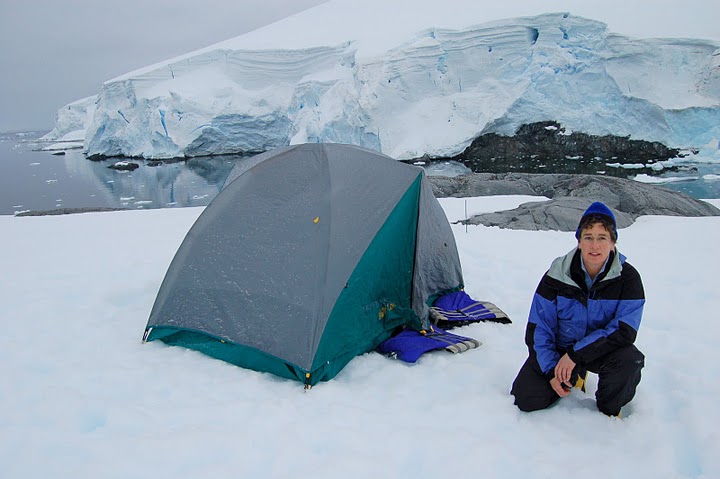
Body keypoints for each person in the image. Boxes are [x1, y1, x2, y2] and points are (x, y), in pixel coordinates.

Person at [510, 201, 645, 417]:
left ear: (613, 243)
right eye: (588, 237)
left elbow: (624, 330)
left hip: (601, 350)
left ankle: (608, 409)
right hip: (562, 348)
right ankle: (573, 376)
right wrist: (551, 369)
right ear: (579, 242)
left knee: (629, 361)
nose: (595, 245)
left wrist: (575, 355)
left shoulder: (627, 279)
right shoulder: (556, 276)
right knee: (526, 398)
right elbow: (539, 327)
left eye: (602, 238)